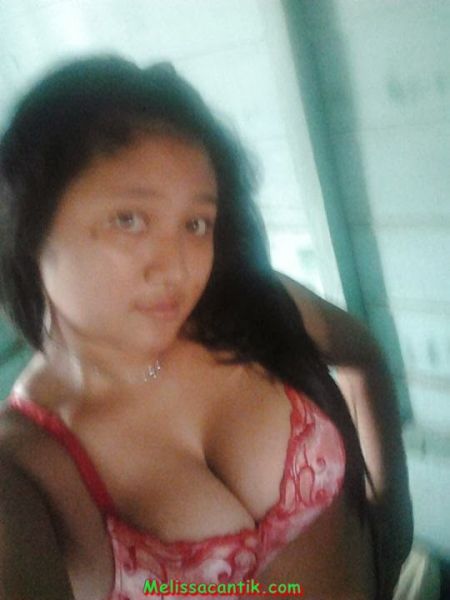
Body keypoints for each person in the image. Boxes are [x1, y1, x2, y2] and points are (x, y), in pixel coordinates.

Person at [0, 55, 412, 600]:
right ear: (28, 226)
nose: (176, 267)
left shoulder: (246, 308)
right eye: (130, 219)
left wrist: (394, 517)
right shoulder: (26, 467)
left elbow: (365, 355)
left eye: (196, 223)